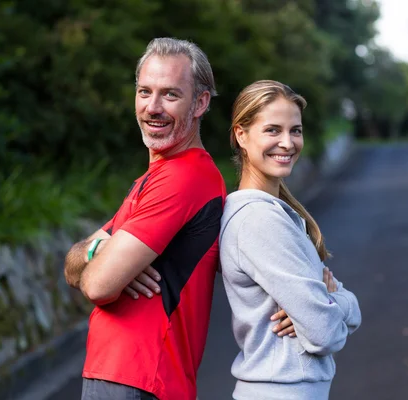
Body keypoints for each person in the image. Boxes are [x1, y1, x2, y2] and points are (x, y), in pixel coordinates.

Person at [63, 39, 294, 400]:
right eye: (144, 91)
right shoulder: (155, 178)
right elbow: (72, 266)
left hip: (141, 377)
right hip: (125, 376)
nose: (152, 107)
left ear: (200, 102)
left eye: (170, 94)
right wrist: (101, 253)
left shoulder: (183, 178)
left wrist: (104, 260)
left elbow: (97, 286)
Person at [219, 80, 362, 400]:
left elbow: (329, 316)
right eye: (272, 130)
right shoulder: (259, 220)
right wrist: (334, 300)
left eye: (295, 130)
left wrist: (326, 302)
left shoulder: (276, 214)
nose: (287, 142)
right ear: (241, 135)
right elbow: (325, 333)